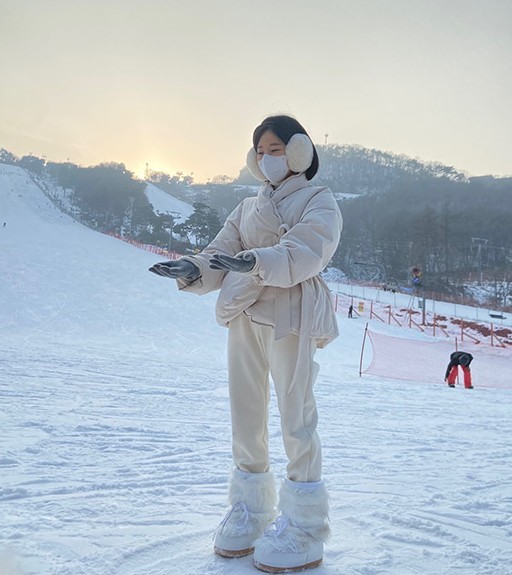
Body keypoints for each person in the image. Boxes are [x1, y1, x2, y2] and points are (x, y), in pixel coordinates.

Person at [149, 115, 342, 572]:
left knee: (296, 415)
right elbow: (221, 250)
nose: (267, 158)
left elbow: (308, 250)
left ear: (299, 152)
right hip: (245, 312)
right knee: (246, 411)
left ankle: (305, 524)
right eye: (260, 152)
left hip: (291, 312)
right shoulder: (246, 207)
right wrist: (195, 268)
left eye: (276, 149)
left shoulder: (319, 200)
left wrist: (253, 260)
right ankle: (251, 509)